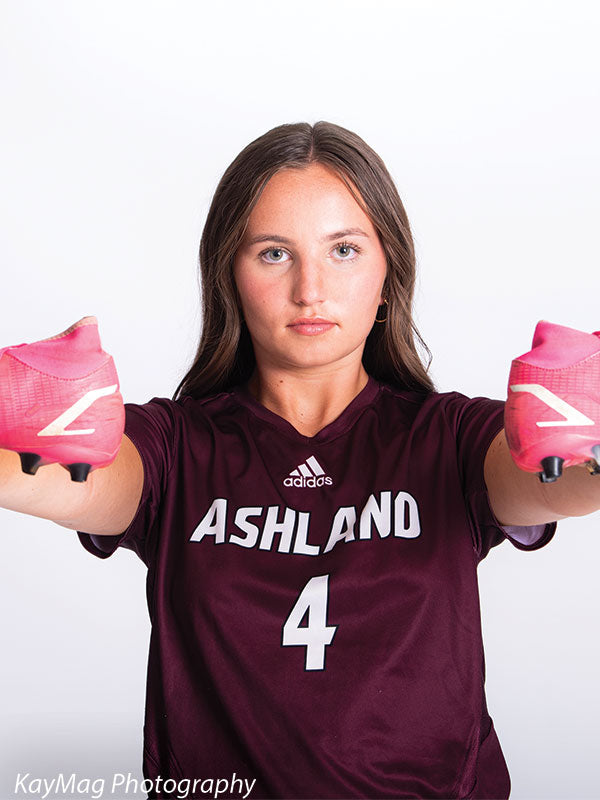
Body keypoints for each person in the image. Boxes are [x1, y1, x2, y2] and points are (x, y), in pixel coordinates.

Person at [2, 121, 599, 800]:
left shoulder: (450, 438)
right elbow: (82, 478)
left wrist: (585, 454)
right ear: (228, 274)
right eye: (274, 254)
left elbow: (541, 478)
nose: (310, 288)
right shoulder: (173, 446)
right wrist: (36, 443)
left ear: (387, 273)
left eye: (343, 249)